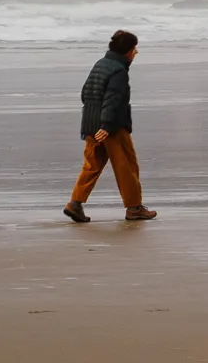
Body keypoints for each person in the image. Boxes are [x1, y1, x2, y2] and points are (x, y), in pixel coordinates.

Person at [65, 30, 155, 222]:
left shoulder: (100, 64)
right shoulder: (118, 71)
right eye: (134, 48)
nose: (136, 52)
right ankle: (134, 208)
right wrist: (106, 125)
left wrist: (94, 121)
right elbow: (112, 99)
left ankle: (75, 203)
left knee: (92, 165)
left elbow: (85, 94)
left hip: (90, 124)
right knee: (127, 166)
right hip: (111, 127)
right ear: (127, 51)